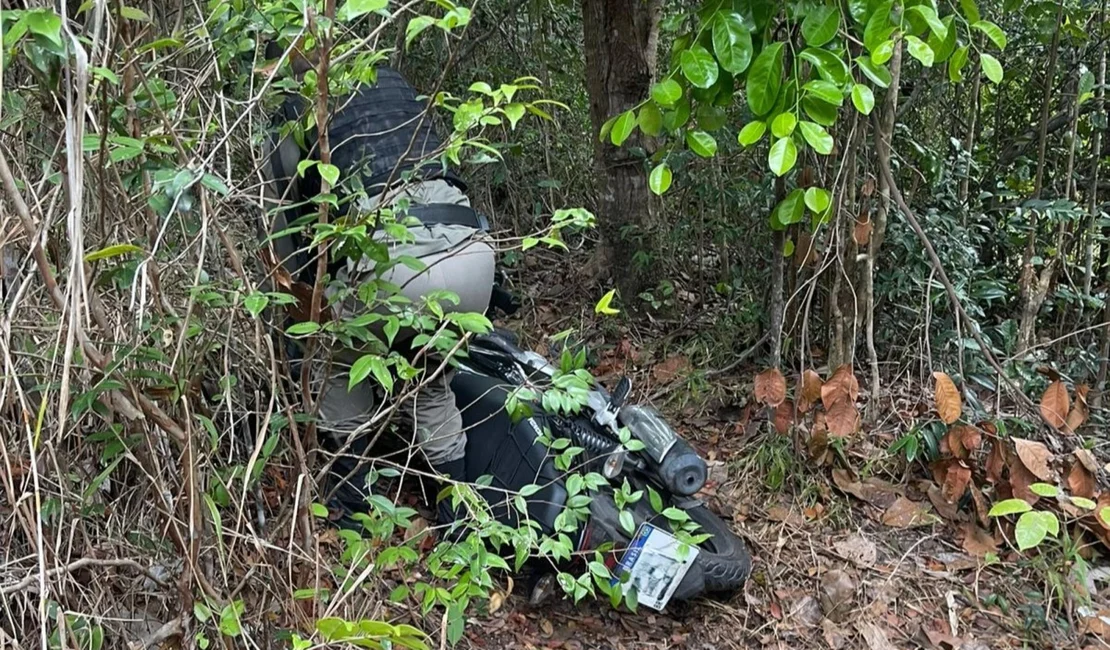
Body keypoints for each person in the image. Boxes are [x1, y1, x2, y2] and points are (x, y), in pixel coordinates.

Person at [259, 50, 495, 528]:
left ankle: (352, 517)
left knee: (335, 361)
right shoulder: (393, 80)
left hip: (393, 264)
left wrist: (300, 311)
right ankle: (459, 520)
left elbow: (286, 238)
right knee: (431, 382)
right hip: (473, 254)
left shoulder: (294, 109)